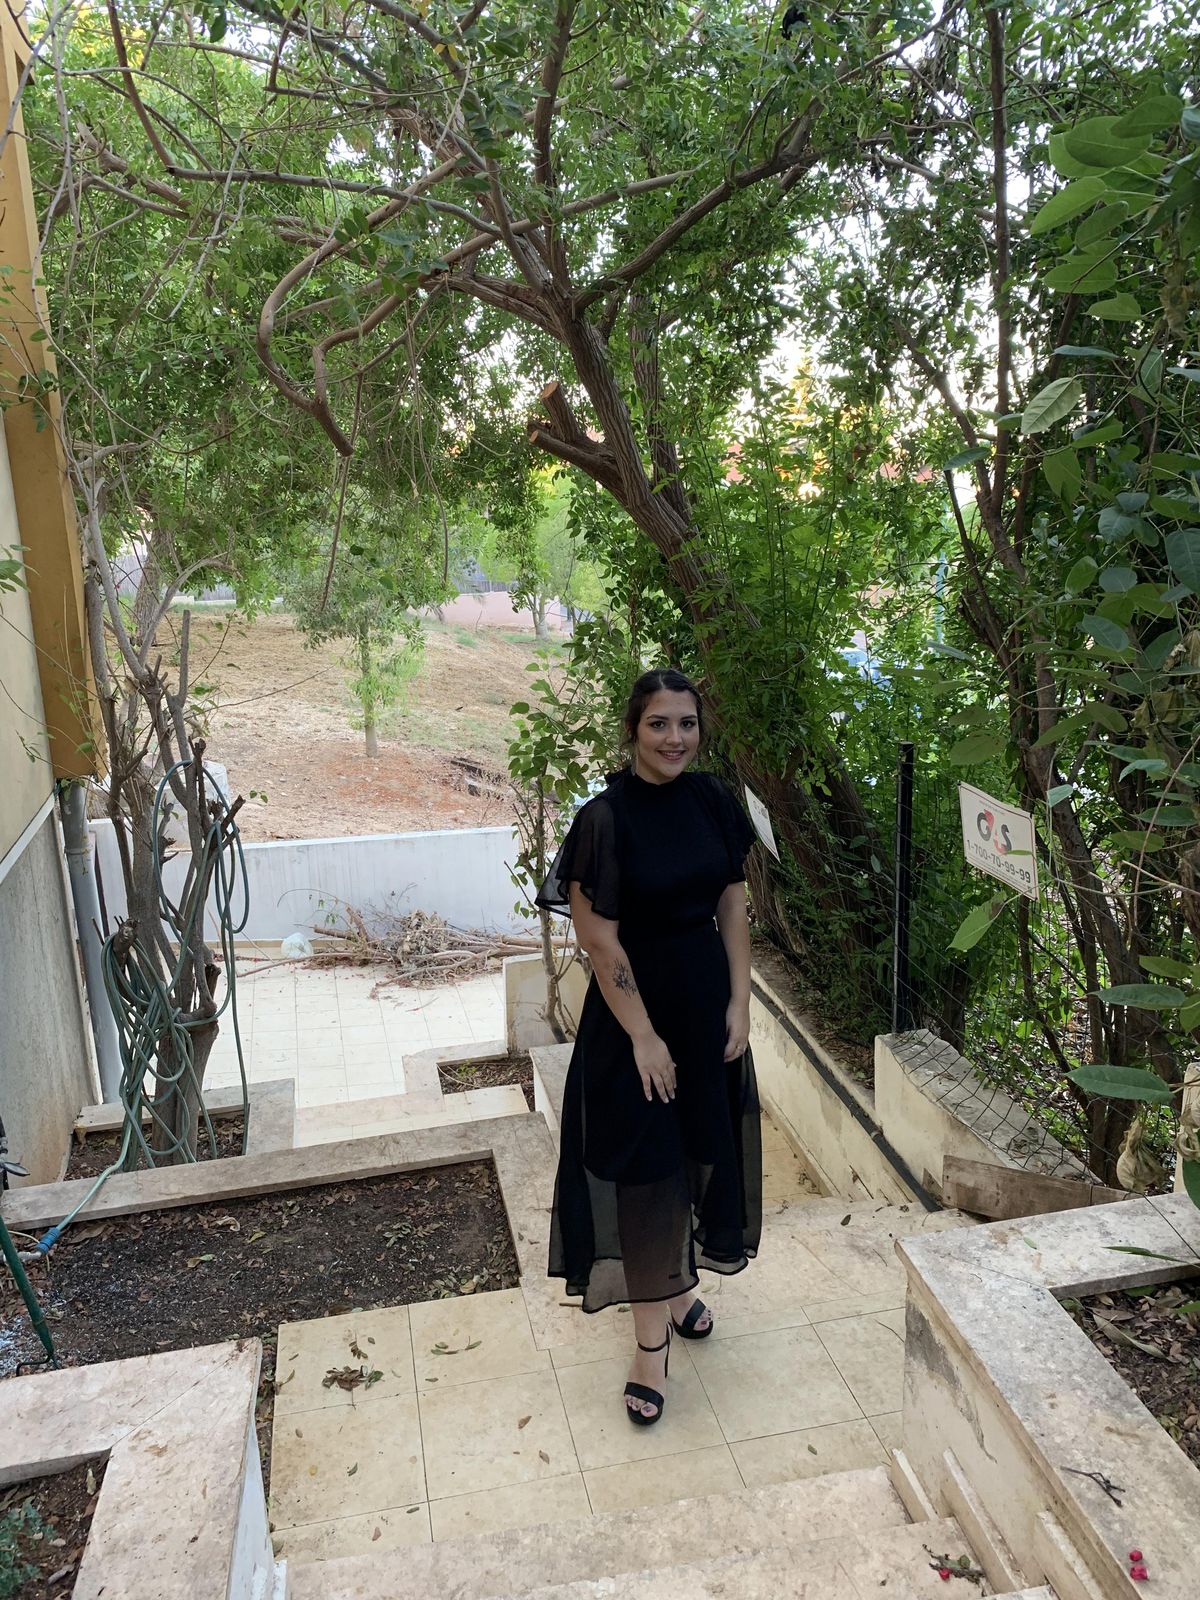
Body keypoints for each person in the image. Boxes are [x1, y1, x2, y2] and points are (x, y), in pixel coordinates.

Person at [535, 668, 762, 1425]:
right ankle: (650, 1348)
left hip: (705, 1010)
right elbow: (599, 942)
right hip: (634, 1025)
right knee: (647, 1172)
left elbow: (732, 903)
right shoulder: (605, 820)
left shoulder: (713, 800)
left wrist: (740, 1001)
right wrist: (643, 1037)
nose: (675, 738)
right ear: (633, 728)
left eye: (686, 723)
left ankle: (678, 1285)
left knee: (698, 1150)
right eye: (659, 723)